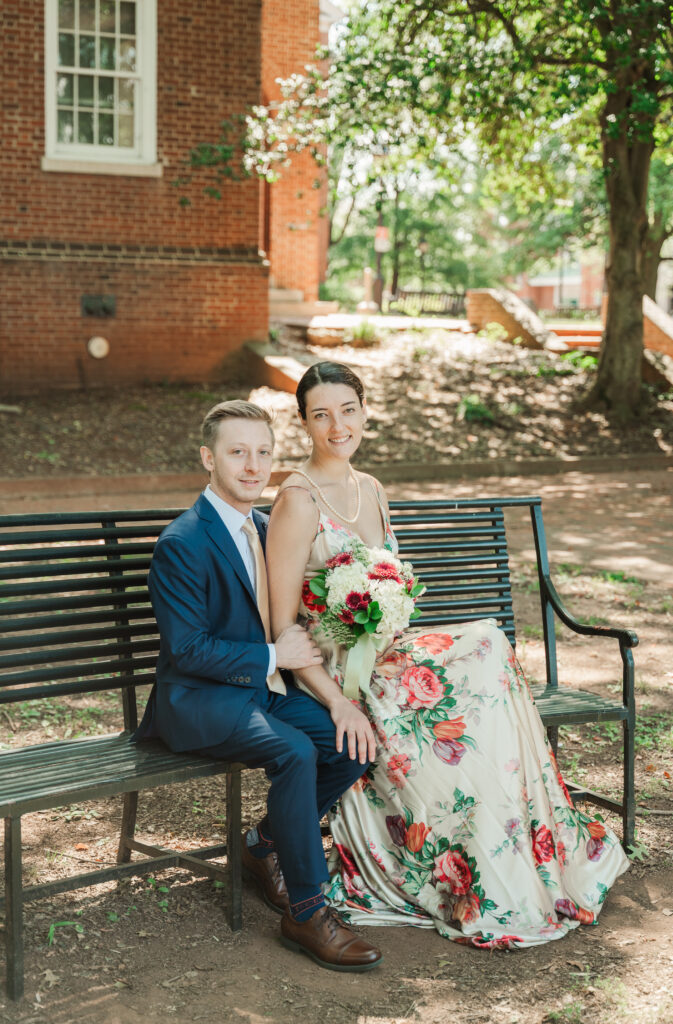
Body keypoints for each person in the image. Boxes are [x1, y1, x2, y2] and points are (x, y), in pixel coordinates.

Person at [265, 361, 630, 948]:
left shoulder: (371, 488)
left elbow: (393, 592)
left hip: (387, 655)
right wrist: (338, 702)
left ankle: (520, 849)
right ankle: (478, 866)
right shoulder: (296, 501)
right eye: (321, 415)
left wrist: (390, 612)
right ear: (304, 422)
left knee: (489, 644)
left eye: (348, 410)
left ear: (365, 412)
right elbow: (283, 628)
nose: (337, 427)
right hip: (336, 673)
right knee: (479, 672)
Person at [134, 399, 383, 971]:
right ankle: (308, 912)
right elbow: (187, 649)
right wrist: (274, 654)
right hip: (197, 700)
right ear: (209, 458)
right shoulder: (183, 542)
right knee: (295, 752)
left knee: (353, 745)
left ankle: (262, 844)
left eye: (263, 453)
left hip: (259, 693)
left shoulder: (267, 528)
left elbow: (287, 611)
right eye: (237, 452)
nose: (253, 466)